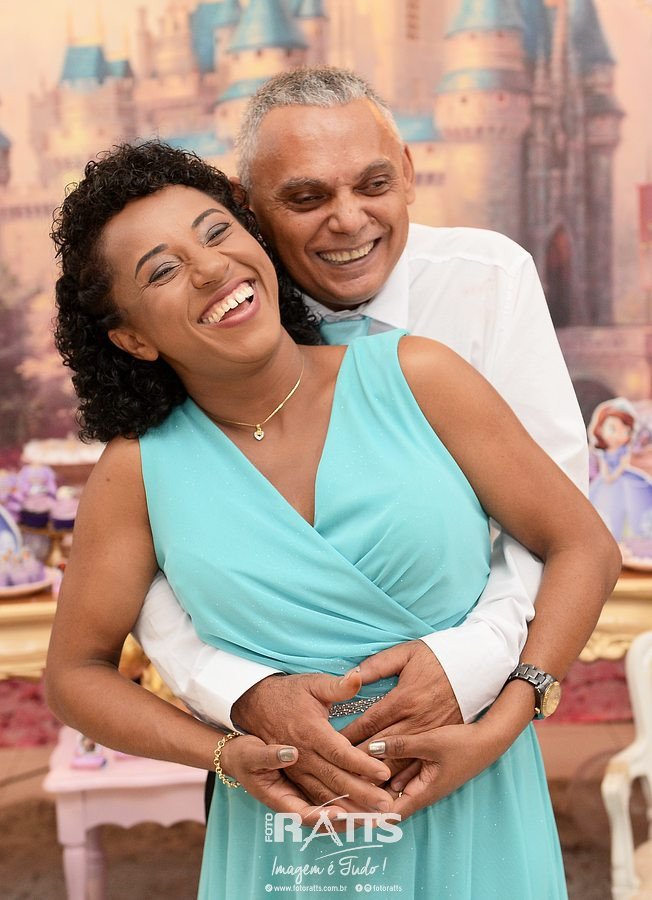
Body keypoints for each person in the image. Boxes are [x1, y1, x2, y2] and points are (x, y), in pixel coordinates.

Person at [45, 141, 620, 897]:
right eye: (163, 270)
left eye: (217, 232)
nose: (211, 269)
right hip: (289, 839)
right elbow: (76, 675)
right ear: (132, 337)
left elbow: (583, 545)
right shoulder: (137, 470)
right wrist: (224, 754)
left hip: (477, 801)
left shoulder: (419, 375)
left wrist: (503, 723)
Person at [132, 67, 593, 811]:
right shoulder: (211, 312)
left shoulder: (489, 281)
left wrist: (469, 673)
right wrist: (243, 694)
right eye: (307, 198)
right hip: (274, 758)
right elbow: (154, 551)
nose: (348, 221)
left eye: (373, 185)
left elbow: (558, 523)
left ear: (408, 172)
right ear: (248, 206)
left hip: (468, 727)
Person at [588, 397, 652, 540]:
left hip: (621, 478)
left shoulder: (624, 451)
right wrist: (607, 477)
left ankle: (630, 538)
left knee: (633, 507)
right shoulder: (602, 453)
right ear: (600, 429)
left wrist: (614, 476)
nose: (618, 435)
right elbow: (604, 467)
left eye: (625, 431)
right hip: (605, 481)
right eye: (612, 429)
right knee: (605, 508)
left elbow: (623, 465)